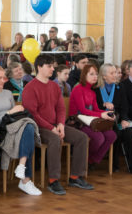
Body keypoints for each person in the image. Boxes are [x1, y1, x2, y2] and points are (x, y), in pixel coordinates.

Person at [22, 54, 93, 193]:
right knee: (55, 139)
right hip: (39, 128)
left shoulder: (54, 86)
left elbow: (60, 108)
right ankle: (53, 181)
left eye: (53, 66)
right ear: (39, 67)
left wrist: (60, 124)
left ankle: (75, 177)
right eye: (49, 66)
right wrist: (51, 128)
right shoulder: (30, 88)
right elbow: (33, 115)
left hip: (55, 125)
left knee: (82, 138)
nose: (52, 69)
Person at [0, 66, 42, 195]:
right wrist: (9, 112)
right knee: (28, 127)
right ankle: (25, 179)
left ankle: (22, 167)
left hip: (15, 126)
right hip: (1, 131)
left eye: (4, 77)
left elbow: (16, 117)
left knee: (27, 127)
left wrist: (16, 111)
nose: (3, 80)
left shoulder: (7, 93)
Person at [68, 63, 117, 166]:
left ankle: (92, 159)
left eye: (96, 74)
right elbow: (83, 111)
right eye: (91, 74)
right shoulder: (78, 89)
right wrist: (102, 115)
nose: (95, 76)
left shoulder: (92, 92)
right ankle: (84, 159)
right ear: (84, 75)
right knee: (99, 138)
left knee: (111, 135)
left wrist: (107, 113)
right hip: (78, 122)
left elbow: (96, 109)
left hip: (90, 121)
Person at [94, 64, 132, 174]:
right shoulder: (95, 88)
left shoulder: (120, 87)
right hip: (101, 120)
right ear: (104, 76)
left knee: (130, 135)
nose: (115, 75)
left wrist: (124, 119)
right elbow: (94, 106)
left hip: (117, 119)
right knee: (117, 134)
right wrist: (104, 104)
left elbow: (125, 106)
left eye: (115, 72)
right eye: (112, 73)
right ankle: (114, 164)